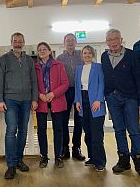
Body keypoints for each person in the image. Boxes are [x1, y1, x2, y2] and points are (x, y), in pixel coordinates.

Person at [101, 29, 140, 177]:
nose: (113, 42)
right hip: (112, 98)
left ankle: (139, 161)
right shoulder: (104, 56)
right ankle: (124, 160)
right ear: (107, 42)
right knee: (119, 130)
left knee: (134, 130)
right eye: (110, 39)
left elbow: (138, 78)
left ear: (121, 40)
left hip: (130, 98)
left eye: (116, 38)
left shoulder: (131, 55)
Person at [0, 32, 38, 179]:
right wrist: (0, 100)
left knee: (23, 131)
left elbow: (34, 81)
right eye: (15, 41)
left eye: (20, 41)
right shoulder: (4, 59)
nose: (18, 44)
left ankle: (19, 160)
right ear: (11, 43)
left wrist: (34, 99)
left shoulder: (29, 60)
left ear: (23, 43)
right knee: (11, 130)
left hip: (26, 100)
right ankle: (11, 165)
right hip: (10, 100)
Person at [35, 42, 69, 168]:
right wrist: (40, 95)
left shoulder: (58, 65)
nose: (42, 51)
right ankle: (44, 156)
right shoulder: (35, 67)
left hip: (57, 100)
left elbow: (65, 84)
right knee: (41, 130)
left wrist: (53, 94)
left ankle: (58, 156)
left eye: (44, 49)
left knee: (58, 129)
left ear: (50, 51)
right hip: (41, 102)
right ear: (38, 53)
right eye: (40, 50)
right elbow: (33, 85)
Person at [75, 45, 106, 172]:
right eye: (84, 53)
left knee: (96, 134)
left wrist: (99, 99)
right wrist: (77, 100)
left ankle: (100, 161)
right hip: (82, 100)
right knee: (87, 132)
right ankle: (92, 157)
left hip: (95, 102)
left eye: (89, 53)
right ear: (82, 55)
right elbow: (77, 86)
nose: (87, 55)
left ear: (93, 54)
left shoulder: (98, 67)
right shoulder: (78, 69)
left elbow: (102, 83)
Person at [57, 33, 85, 161]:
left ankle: (76, 147)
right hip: (65, 91)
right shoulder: (59, 58)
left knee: (79, 120)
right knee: (64, 120)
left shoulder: (82, 55)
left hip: (80, 91)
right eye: (67, 40)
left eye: (72, 40)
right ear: (64, 43)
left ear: (76, 42)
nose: (70, 43)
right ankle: (64, 147)